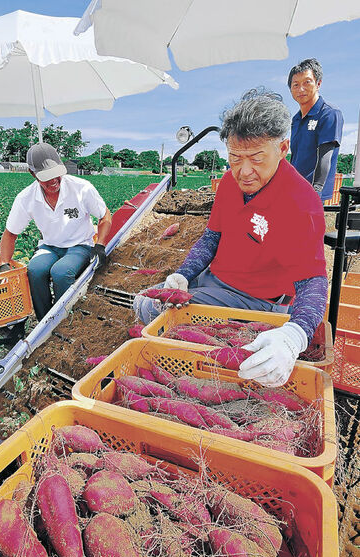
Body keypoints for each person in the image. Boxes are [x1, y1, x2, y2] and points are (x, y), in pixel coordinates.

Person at [134, 88, 328, 388]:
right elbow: (212, 237)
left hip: (256, 300)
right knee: (144, 302)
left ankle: (184, 372)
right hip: (213, 281)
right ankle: (176, 369)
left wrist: (295, 334)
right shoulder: (228, 182)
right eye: (235, 158)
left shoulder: (301, 203)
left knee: (156, 312)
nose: (244, 171)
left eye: (256, 158)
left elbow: (312, 280)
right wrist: (183, 274)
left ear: (283, 148)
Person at [0, 143, 112, 321]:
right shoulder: (26, 198)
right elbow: (10, 234)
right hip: (50, 246)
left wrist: (100, 245)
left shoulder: (82, 188)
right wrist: (4, 263)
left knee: (61, 272)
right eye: (46, 177)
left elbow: (104, 215)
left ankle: (64, 320)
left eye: (56, 174)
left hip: (79, 245)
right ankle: (44, 321)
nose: (53, 181)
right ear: (32, 174)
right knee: (35, 270)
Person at [288, 58, 344, 202]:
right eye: (296, 84)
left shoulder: (329, 113)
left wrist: (316, 191)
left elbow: (326, 156)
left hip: (312, 194)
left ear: (318, 83)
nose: (301, 89)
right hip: (295, 189)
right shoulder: (296, 119)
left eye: (307, 82)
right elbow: (295, 157)